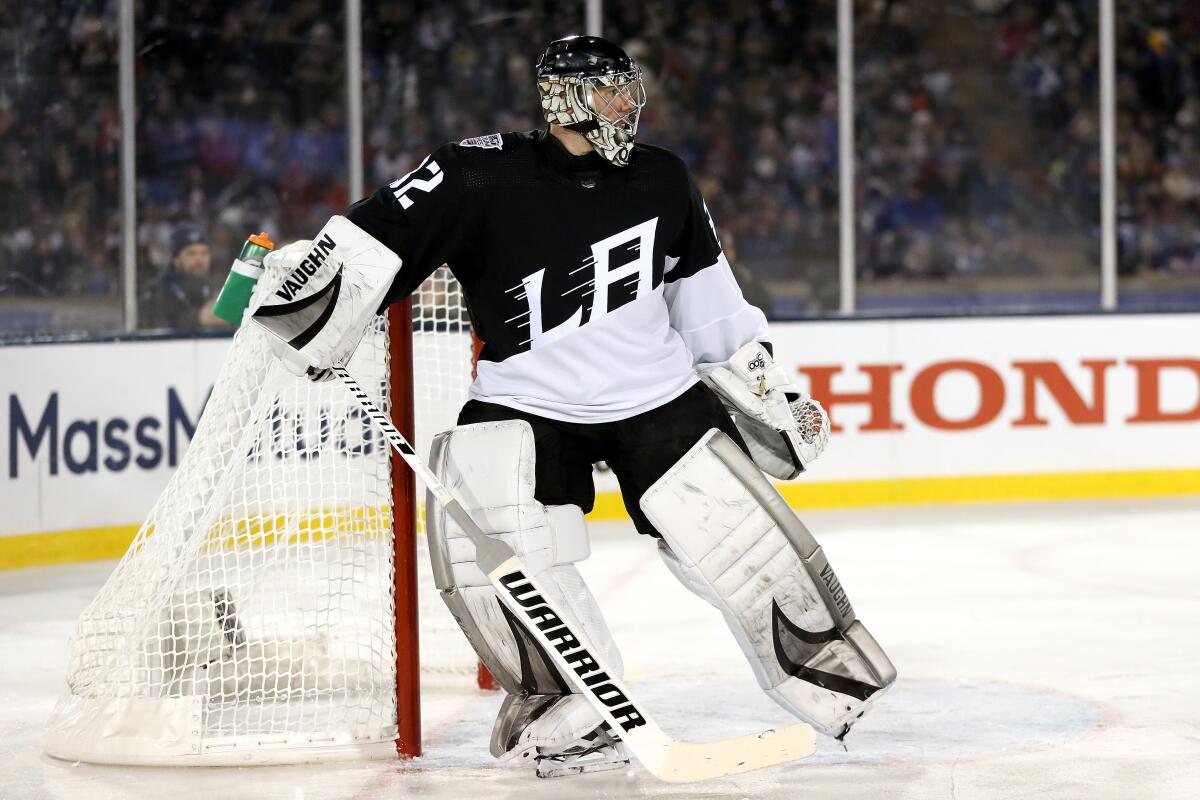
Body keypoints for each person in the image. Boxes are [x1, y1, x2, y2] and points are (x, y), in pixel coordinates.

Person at [252, 35, 894, 777]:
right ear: (564, 97)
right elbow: (379, 237)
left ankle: (822, 667)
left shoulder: (663, 178)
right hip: (527, 400)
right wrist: (313, 300)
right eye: (612, 90)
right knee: (482, 543)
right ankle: (570, 705)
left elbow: (709, 302)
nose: (629, 103)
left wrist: (764, 386)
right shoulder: (474, 173)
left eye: (629, 89)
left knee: (733, 530)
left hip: (654, 392)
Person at [140, 224, 230, 330]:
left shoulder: (216, 287)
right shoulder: (158, 289)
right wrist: (198, 318)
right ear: (176, 259)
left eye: (204, 253)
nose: (199, 260)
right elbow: (155, 325)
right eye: (191, 254)